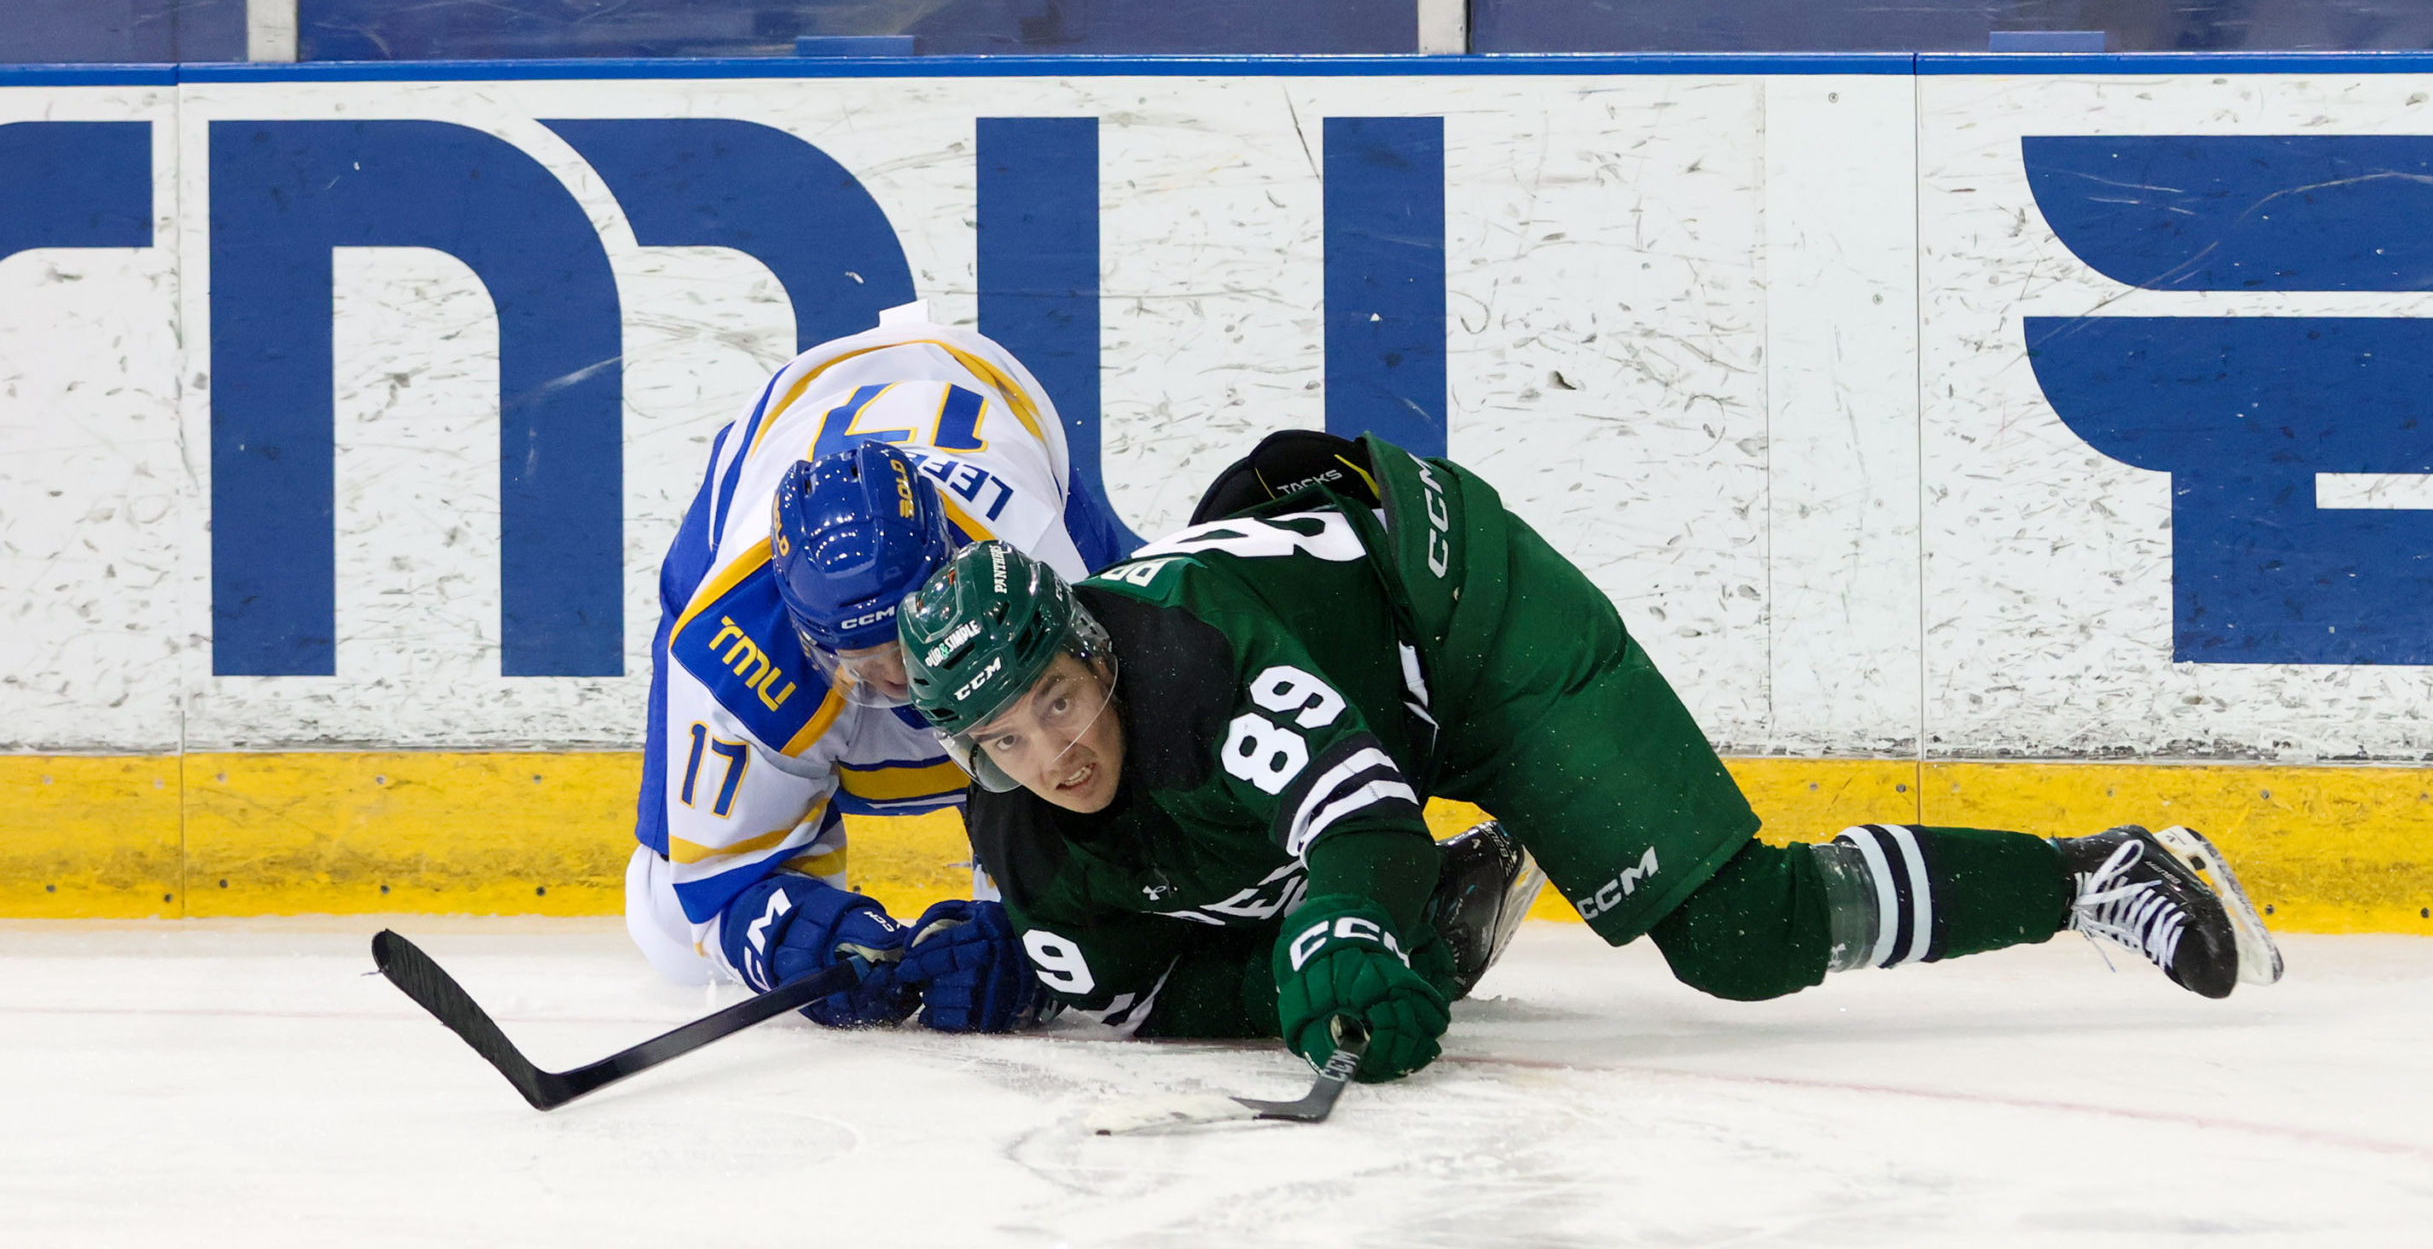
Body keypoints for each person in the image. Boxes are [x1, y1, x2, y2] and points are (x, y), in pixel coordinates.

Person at [894, 430, 2285, 1079]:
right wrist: (1314, 971)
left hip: (1461, 619)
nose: (1053, 752)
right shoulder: (1019, 822)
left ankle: (2093, 871)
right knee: (1231, 886)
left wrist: (1347, 932)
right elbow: (1137, 998)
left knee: (1744, 934)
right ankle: (1446, 914)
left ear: (1099, 652)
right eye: (1009, 737)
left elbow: (1358, 821)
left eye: (1064, 701)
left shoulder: (1201, 667)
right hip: (1347, 665)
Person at [623, 302, 1126, 1021]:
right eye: (862, 661)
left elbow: (1129, 817)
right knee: (668, 934)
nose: (896, 682)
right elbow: (716, 887)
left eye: (908, 646)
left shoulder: (1038, 569)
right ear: (801, 631)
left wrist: (1035, 935)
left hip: (992, 398)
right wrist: (799, 935)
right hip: (787, 418)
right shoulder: (736, 633)